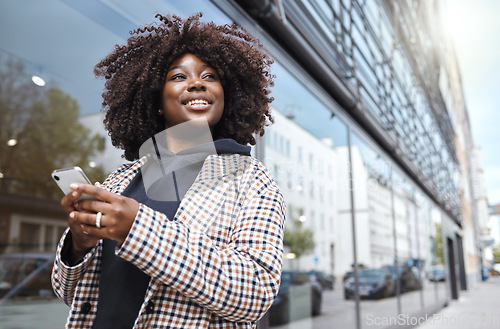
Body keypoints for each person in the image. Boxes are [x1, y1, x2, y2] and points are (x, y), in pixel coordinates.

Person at [51, 13, 286, 329]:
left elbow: (255, 292)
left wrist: (137, 228)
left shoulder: (251, 179)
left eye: (210, 76)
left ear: (227, 96)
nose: (196, 82)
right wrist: (79, 244)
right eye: (178, 77)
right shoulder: (120, 179)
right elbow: (70, 295)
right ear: (156, 101)